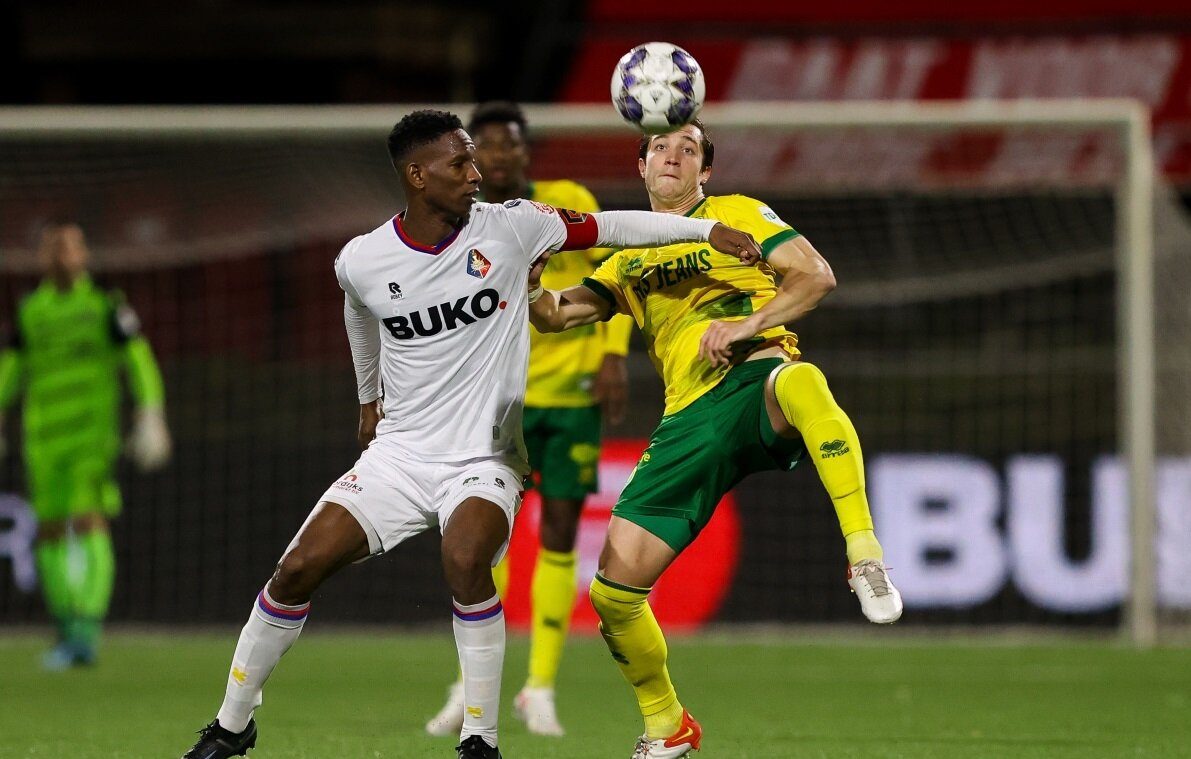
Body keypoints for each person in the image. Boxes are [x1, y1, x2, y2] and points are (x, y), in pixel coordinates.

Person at [179, 109, 764, 759]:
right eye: (459, 163)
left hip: (486, 456)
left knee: (465, 558)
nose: (474, 173)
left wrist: (708, 228)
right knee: (295, 569)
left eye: (474, 159)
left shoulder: (514, 227)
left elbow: (617, 227)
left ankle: (478, 740)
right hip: (399, 454)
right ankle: (233, 724)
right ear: (416, 174)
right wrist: (367, 396)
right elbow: (358, 313)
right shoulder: (364, 260)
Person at [526, 120, 904, 759]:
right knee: (613, 596)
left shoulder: (737, 215)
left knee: (803, 381)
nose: (672, 155)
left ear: (705, 173)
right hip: (686, 424)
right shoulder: (627, 259)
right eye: (660, 148)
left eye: (689, 150)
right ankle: (666, 726)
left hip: (755, 379)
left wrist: (747, 324)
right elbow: (556, 314)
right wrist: (532, 279)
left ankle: (865, 554)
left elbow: (815, 277)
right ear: (642, 165)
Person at [424, 101, 636, 738]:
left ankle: (538, 686)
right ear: (470, 157)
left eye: (510, 144)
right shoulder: (460, 222)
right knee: (481, 538)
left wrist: (614, 354)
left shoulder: (565, 201)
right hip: (494, 403)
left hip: (569, 397)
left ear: (526, 152)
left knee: (562, 535)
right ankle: (469, 685)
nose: (499, 155)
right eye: (485, 145)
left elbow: (613, 268)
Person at [0, 221, 171, 669]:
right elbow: (10, 371)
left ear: (84, 255)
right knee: (51, 530)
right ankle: (67, 627)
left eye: (70, 246)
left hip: (91, 437)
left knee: (89, 521)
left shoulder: (105, 306)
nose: (61, 254)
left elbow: (139, 359)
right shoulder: (30, 310)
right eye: (53, 246)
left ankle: (85, 630)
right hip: (42, 440)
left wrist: (150, 412)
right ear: (42, 256)